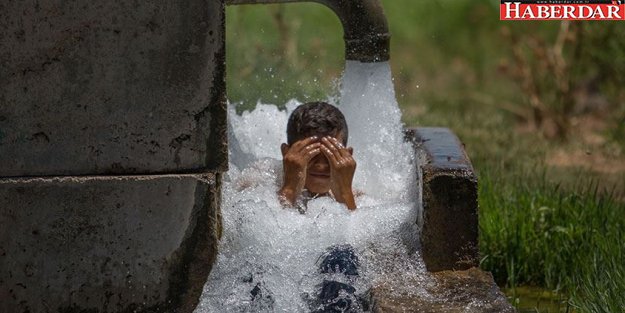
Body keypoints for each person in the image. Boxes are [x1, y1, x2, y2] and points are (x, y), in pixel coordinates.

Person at [277, 101, 357, 211]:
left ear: (347, 157)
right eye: (312, 154)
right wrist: (289, 190)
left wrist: (344, 196)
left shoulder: (359, 200)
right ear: (287, 153)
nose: (321, 165)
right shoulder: (259, 186)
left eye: (330, 154)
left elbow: (357, 227)